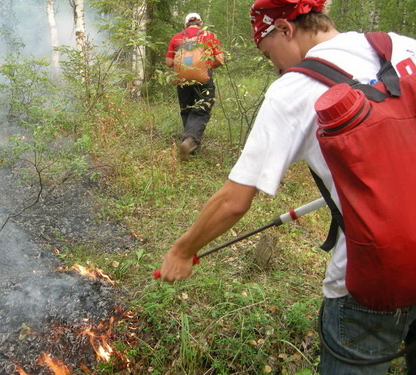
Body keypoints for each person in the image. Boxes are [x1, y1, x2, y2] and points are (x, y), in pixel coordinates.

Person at [157, 0, 416, 373]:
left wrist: (182, 251)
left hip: (375, 278)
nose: (275, 67)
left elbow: (234, 200)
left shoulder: (294, 89)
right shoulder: (400, 45)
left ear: (285, 29)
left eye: (267, 54)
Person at [165, 12, 224, 161]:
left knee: (186, 109)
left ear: (185, 25)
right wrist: (206, 67)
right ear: (200, 24)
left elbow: (169, 63)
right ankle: (190, 141)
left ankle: (189, 144)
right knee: (201, 110)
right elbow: (220, 59)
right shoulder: (210, 36)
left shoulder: (176, 38)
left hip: (182, 80)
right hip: (203, 78)